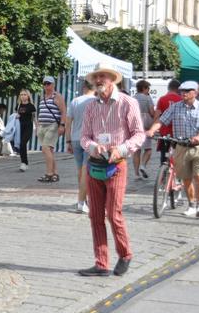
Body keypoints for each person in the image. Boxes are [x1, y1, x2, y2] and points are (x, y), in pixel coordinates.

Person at [79, 62, 145, 277]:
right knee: (95, 215)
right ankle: (101, 263)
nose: (99, 81)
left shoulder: (128, 103)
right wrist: (92, 147)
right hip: (95, 164)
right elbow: (84, 137)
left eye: (103, 77)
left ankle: (125, 254)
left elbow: (138, 134)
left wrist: (123, 148)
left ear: (112, 79)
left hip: (117, 165)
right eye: (96, 77)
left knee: (113, 213)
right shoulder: (91, 106)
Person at [147, 81, 199, 219]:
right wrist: (152, 130)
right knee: (186, 179)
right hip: (181, 146)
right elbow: (162, 120)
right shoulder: (175, 107)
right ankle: (191, 205)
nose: (183, 93)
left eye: (187, 91)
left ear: (194, 93)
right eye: (181, 91)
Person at [65, 80, 95, 213]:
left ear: (84, 88)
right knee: (86, 171)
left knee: (80, 170)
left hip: (76, 139)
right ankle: (81, 202)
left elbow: (68, 123)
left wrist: (68, 140)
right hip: (89, 140)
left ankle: (83, 198)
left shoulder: (75, 101)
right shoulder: (96, 101)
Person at [37, 76, 66, 182]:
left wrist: (62, 125)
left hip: (52, 125)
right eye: (44, 84)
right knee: (49, 151)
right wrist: (38, 126)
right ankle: (55, 173)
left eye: (48, 83)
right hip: (42, 126)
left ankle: (49, 174)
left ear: (53, 84)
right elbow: (40, 112)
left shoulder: (57, 96)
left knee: (46, 148)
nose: (46, 86)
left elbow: (63, 111)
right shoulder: (43, 96)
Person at [155, 79, 182, 163]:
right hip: (178, 132)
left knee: (164, 155)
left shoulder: (162, 99)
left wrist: (155, 129)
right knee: (178, 156)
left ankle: (162, 173)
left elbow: (157, 116)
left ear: (168, 88)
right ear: (178, 89)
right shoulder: (181, 99)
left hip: (165, 132)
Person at [132, 80, 155, 179]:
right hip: (145, 124)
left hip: (134, 124)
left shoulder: (132, 98)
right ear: (144, 88)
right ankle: (143, 165)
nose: (148, 90)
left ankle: (136, 174)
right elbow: (152, 112)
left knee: (136, 150)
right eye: (148, 88)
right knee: (148, 149)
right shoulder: (147, 98)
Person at [16, 90, 36, 172]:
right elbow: (16, 115)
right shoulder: (18, 106)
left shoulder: (31, 106)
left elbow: (34, 118)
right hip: (20, 127)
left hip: (28, 127)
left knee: (23, 143)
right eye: (21, 95)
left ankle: (24, 163)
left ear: (28, 96)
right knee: (21, 145)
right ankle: (24, 163)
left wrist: (38, 127)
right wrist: (16, 116)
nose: (23, 96)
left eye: (24, 94)